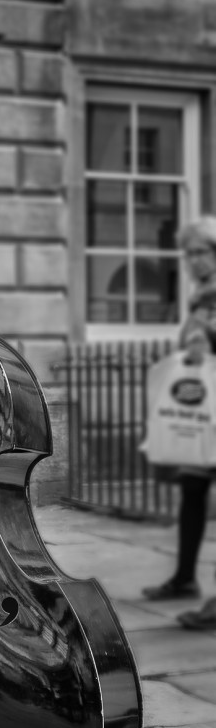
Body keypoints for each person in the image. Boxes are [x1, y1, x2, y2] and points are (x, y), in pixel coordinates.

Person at [142, 216, 216, 608]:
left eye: (201, 252)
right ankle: (185, 578)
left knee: (196, 489)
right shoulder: (202, 293)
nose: (194, 260)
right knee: (192, 490)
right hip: (203, 408)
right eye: (189, 254)